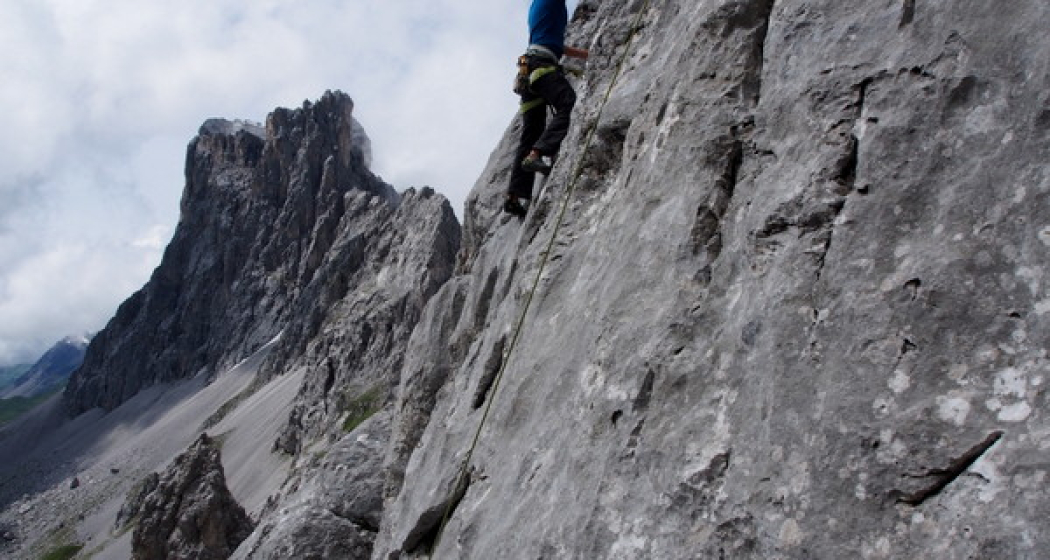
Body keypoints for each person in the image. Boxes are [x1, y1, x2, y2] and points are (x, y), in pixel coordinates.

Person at [504, 0, 590, 218]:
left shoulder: (540, 9)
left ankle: (514, 196)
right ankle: (538, 153)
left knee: (531, 132)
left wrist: (586, 54)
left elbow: (555, 44)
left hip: (529, 70)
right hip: (541, 65)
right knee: (567, 103)